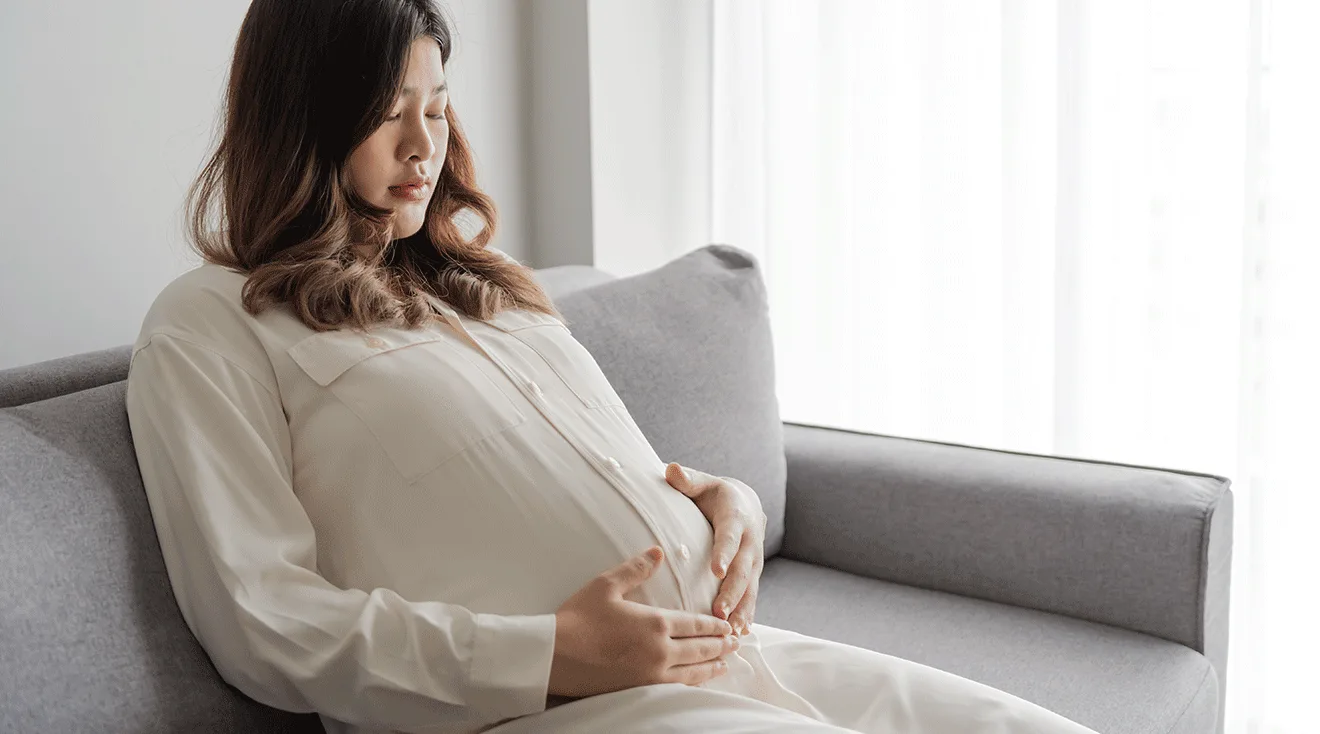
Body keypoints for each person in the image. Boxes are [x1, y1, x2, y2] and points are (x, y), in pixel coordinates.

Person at [124, 1, 1100, 732]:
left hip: (713, 656)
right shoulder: (212, 324)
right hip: (543, 710)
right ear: (300, 119)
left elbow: (590, 470)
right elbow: (265, 621)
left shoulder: (482, 287)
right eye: (388, 113)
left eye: (438, 104)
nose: (425, 145)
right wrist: (548, 653)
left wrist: (725, 502)